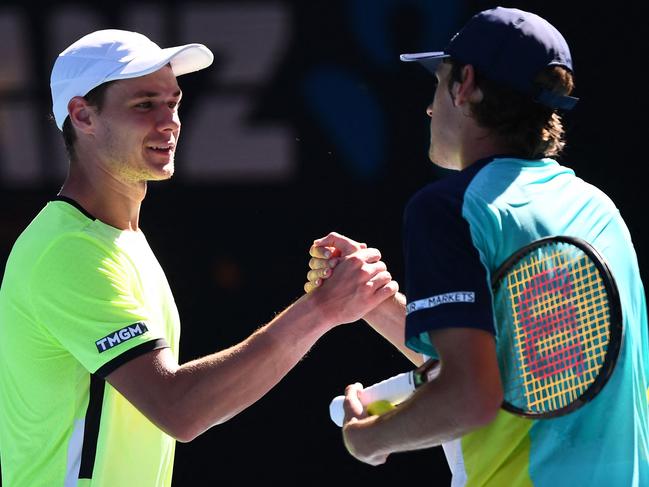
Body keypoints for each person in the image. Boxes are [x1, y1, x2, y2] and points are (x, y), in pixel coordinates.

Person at [0, 29, 400, 487]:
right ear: (83, 116)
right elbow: (180, 408)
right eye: (145, 104)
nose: (169, 121)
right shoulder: (68, 251)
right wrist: (323, 309)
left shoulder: (117, 240)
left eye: (173, 102)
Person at [306, 7, 648, 486]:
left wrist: (369, 439)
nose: (429, 108)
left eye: (438, 82)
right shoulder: (598, 210)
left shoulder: (447, 208)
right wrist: (378, 304)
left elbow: (471, 395)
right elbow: (525, 363)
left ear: (465, 84)